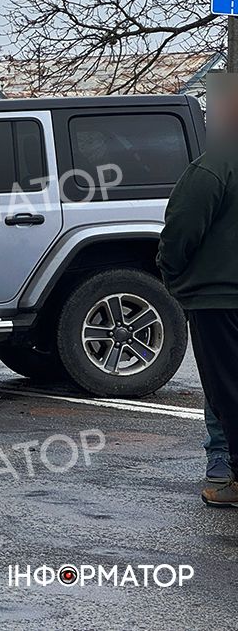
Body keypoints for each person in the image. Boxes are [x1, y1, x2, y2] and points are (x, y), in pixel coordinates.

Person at [158, 79, 238, 506]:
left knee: (226, 390)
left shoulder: (214, 166)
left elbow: (180, 231)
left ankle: (226, 474)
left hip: (218, 299)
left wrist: (174, 275)